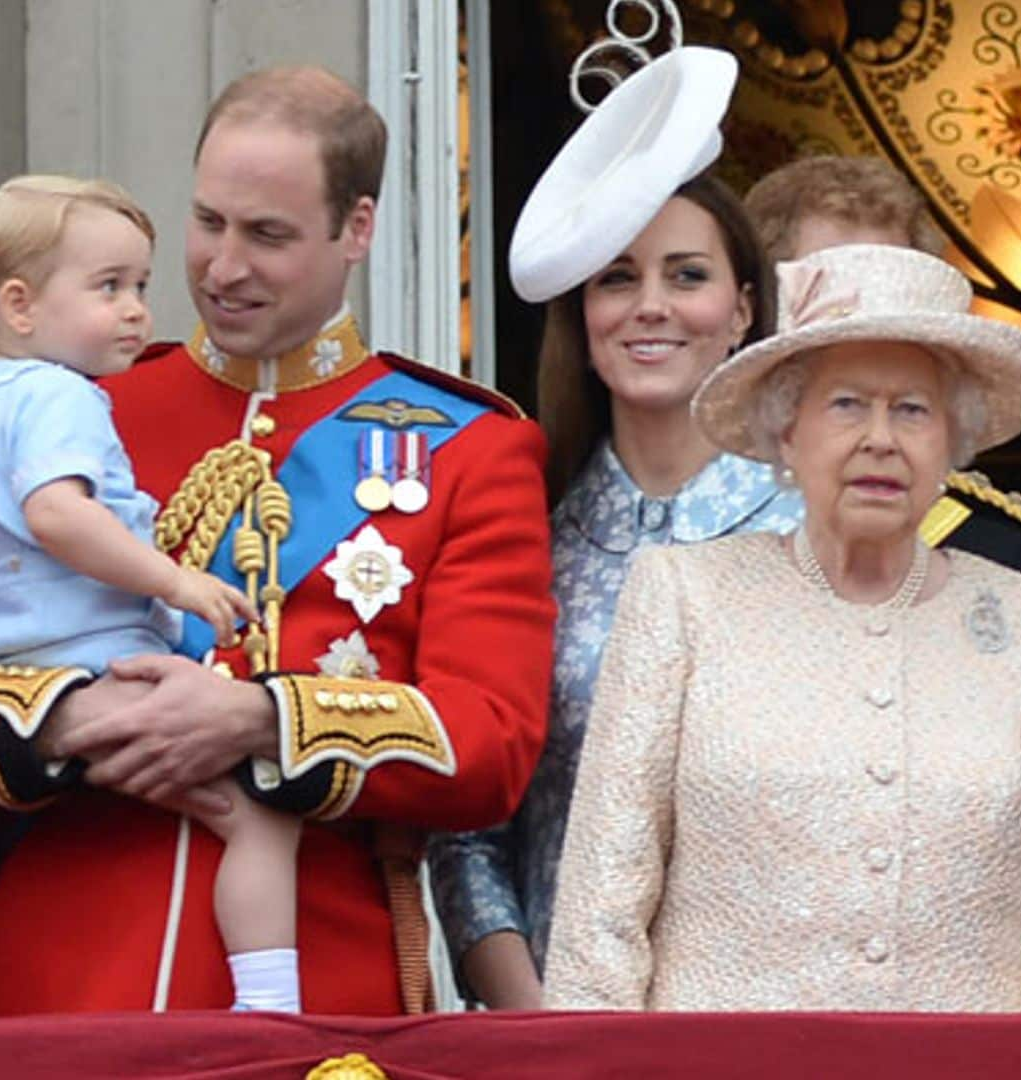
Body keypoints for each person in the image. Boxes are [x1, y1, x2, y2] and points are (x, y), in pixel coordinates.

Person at [0, 66, 554, 1016]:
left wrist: (262, 721)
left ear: (356, 228)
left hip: (312, 992)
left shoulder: (467, 448)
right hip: (52, 983)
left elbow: (493, 741)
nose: (222, 269)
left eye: (267, 235)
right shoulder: (69, 406)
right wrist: (66, 723)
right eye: (208, 224)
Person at [545, 242, 1021, 1010]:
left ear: (953, 441)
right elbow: (600, 917)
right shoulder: (684, 596)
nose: (880, 437)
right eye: (846, 404)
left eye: (912, 410)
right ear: (787, 432)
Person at [0, 175, 297, 1012]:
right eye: (109, 288)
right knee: (254, 814)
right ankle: (273, 1000)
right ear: (21, 305)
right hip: (98, 659)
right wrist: (175, 579)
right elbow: (60, 516)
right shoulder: (64, 396)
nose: (137, 309)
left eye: (139, 285)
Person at [428, 45, 801, 1009]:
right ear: (582, 316)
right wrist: (535, 1023)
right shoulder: (522, 541)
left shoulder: (817, 529)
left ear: (743, 309)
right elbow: (468, 822)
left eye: (686, 276)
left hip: (776, 1025)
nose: (650, 308)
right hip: (557, 1026)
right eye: (615, 279)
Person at [744, 153, 1021, 581]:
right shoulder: (678, 523)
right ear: (758, 311)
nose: (868, 322)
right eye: (836, 285)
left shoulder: (1002, 556)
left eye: (891, 287)